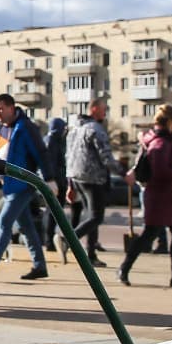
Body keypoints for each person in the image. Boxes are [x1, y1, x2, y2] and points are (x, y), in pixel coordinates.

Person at [117, 105, 172, 288]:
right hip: (161, 196)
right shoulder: (161, 143)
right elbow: (161, 171)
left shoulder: (157, 140)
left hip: (166, 196)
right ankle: (123, 268)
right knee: (150, 234)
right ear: (170, 122)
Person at [0, 95, 49, 282]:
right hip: (8, 185)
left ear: (12, 108)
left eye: (0, 109)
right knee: (26, 226)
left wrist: (50, 179)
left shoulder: (25, 128)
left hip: (22, 184)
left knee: (4, 222)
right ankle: (40, 266)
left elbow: (40, 153)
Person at [65, 97, 120, 265]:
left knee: (91, 217)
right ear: (94, 109)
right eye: (104, 109)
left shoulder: (75, 128)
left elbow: (69, 155)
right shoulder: (96, 129)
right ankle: (67, 241)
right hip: (93, 178)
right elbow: (106, 157)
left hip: (77, 176)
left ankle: (91, 255)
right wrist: (123, 173)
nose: (105, 112)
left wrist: (70, 183)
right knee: (96, 217)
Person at [38, 116, 68, 253]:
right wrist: (51, 181)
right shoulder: (51, 141)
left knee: (54, 211)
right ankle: (48, 241)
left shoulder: (56, 141)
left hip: (58, 181)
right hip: (54, 182)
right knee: (52, 212)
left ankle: (49, 240)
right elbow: (49, 163)